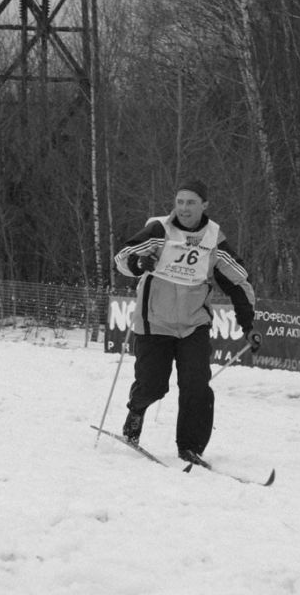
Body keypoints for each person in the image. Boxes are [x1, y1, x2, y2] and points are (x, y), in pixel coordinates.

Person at [113, 179, 259, 466]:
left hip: (194, 324)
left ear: (204, 205)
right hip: (154, 322)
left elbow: (239, 282)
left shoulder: (213, 239)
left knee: (196, 385)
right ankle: (136, 411)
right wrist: (138, 265)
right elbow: (122, 257)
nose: (184, 208)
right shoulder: (159, 230)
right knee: (153, 386)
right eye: (180, 202)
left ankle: (190, 447)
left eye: (191, 202)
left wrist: (248, 325)